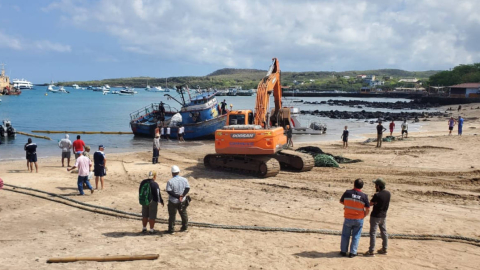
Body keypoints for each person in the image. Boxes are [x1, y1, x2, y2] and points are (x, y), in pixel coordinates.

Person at [339, 179, 370, 258]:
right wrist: (364, 215)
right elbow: (368, 209)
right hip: (358, 219)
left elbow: (341, 201)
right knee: (356, 236)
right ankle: (353, 252)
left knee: (345, 235)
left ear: (354, 184)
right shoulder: (364, 196)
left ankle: (343, 251)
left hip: (348, 217)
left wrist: (348, 206)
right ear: (362, 186)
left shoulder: (347, 193)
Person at [364, 178, 391, 256]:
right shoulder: (388, 193)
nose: (375, 186)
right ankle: (384, 249)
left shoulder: (377, 195)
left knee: (373, 233)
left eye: (376, 185)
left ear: (378, 186)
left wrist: (374, 202)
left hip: (375, 216)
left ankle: (371, 250)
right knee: (384, 232)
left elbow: (370, 203)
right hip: (383, 215)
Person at [166, 165, 190, 234]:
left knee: (172, 215)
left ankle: (171, 230)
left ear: (172, 173)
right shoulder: (184, 179)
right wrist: (182, 196)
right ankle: (185, 227)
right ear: (178, 172)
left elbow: (169, 191)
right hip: (182, 200)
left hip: (173, 201)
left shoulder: (170, 181)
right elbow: (187, 188)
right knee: (183, 213)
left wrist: (177, 196)